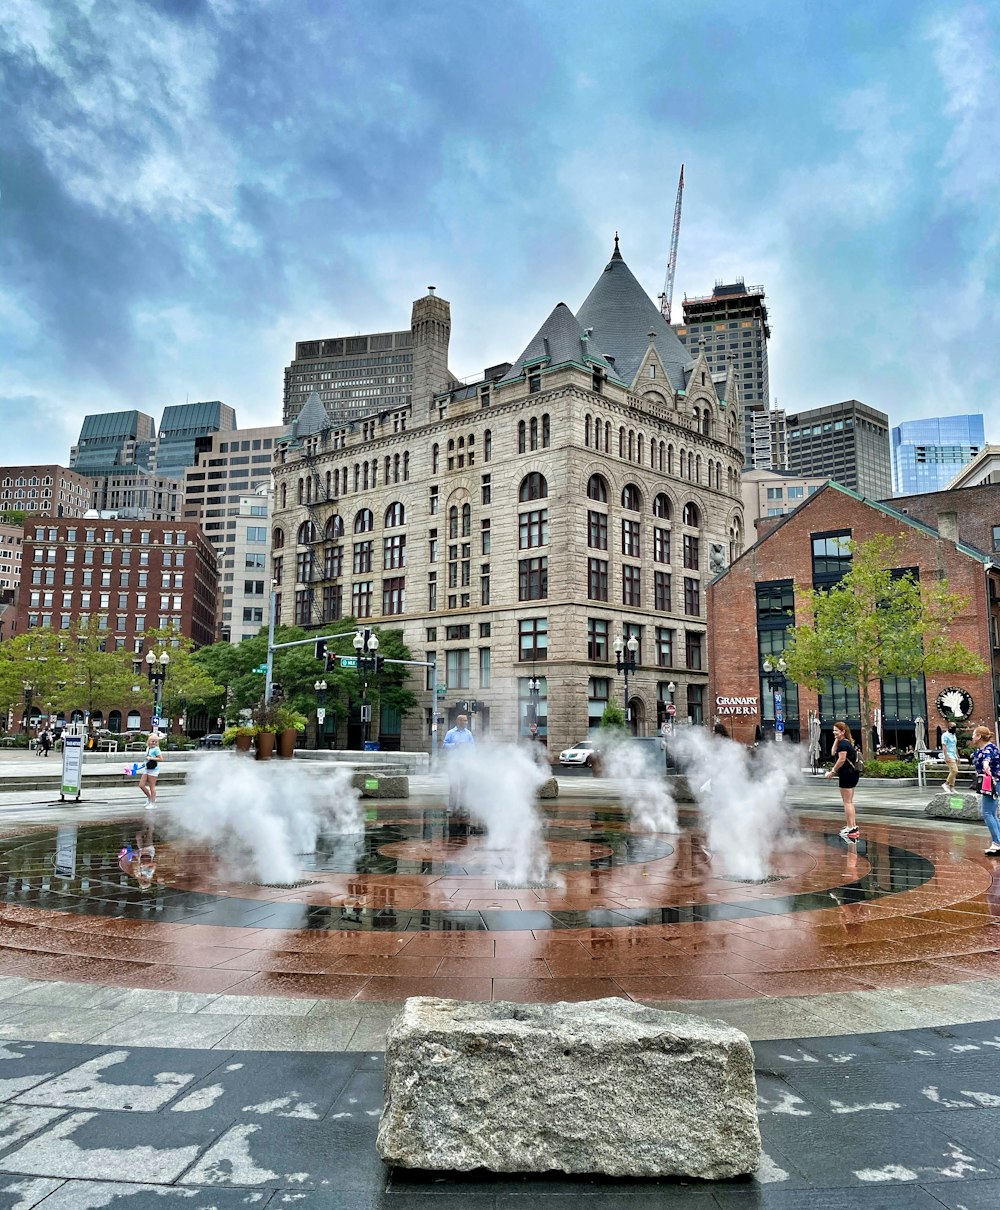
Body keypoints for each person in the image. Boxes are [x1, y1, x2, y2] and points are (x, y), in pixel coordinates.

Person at [824, 720, 860, 841]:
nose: (834, 732)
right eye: (833, 730)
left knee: (847, 802)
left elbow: (841, 759)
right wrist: (836, 738)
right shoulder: (845, 742)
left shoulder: (844, 745)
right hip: (851, 774)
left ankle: (851, 827)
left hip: (847, 775)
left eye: (836, 731)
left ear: (843, 731)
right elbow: (833, 752)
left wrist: (832, 771)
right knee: (849, 801)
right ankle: (853, 826)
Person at [971, 725, 1000, 856]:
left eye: (974, 734)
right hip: (992, 782)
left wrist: (985, 765)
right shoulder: (989, 748)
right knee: (992, 813)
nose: (972, 737)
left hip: (991, 783)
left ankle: (997, 842)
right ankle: (998, 841)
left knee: (987, 812)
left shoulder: (988, 749)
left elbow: (986, 760)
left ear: (979, 737)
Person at [443, 714, 475, 812]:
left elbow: (473, 747)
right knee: (454, 785)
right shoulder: (450, 733)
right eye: (464, 721)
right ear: (458, 721)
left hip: (465, 763)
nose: (466, 722)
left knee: (464, 786)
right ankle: (451, 806)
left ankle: (463, 806)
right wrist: (455, 745)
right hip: (453, 763)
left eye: (466, 721)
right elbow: (445, 745)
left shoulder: (468, 733)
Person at [139, 730, 164, 809]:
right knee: (141, 785)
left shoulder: (156, 749)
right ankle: (149, 798)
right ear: (149, 741)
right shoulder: (148, 748)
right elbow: (147, 758)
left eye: (156, 741)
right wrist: (144, 763)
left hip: (154, 769)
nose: (154, 743)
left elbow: (161, 759)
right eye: (153, 741)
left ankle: (153, 803)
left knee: (152, 787)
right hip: (147, 768)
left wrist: (151, 758)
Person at [941, 724, 959, 790]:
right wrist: (946, 756)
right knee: (955, 771)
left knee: (952, 772)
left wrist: (957, 756)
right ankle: (946, 783)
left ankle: (951, 787)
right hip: (949, 755)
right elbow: (944, 746)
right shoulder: (945, 735)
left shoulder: (953, 735)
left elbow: (954, 746)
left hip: (953, 755)